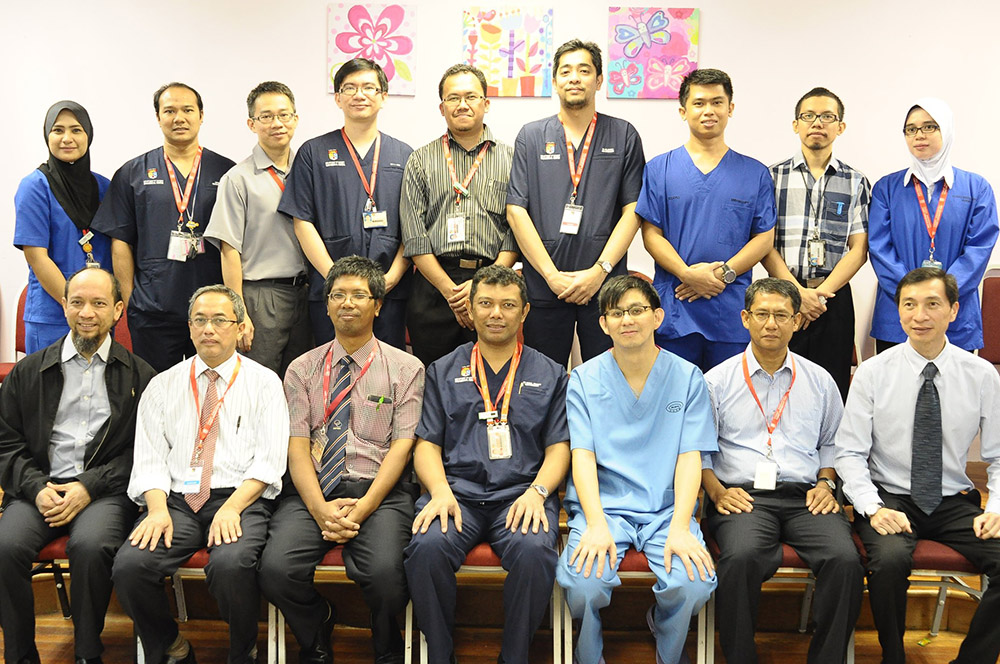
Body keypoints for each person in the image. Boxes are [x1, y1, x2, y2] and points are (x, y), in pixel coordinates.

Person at [259, 256, 424, 664]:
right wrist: (319, 509)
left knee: (387, 576)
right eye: (337, 295)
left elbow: (402, 448)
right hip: (313, 491)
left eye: (358, 295)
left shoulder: (406, 368)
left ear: (378, 305)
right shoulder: (301, 369)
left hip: (379, 493)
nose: (347, 303)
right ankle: (316, 625)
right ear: (327, 305)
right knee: (275, 571)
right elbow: (297, 446)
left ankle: (385, 639)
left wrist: (364, 507)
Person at [112, 285, 288, 664]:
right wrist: (156, 509)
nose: (209, 328)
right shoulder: (163, 385)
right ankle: (172, 646)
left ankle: (243, 650)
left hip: (240, 498)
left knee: (230, 565)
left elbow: (270, 461)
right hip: (176, 502)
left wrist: (233, 508)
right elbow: (149, 458)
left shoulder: (265, 383)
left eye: (220, 320)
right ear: (189, 328)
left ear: (239, 328)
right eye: (200, 320)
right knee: (130, 567)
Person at [403, 265, 569, 664]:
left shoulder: (551, 373)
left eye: (508, 305)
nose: (496, 313)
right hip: (456, 494)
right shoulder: (442, 370)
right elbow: (426, 446)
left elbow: (559, 448)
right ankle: (440, 655)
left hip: (520, 496)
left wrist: (538, 493)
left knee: (534, 553)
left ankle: (514, 657)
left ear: (525, 312)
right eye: (486, 303)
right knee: (426, 549)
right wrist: (439, 491)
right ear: (471, 310)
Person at [836, 267, 1000, 664]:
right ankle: (893, 657)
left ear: (954, 310)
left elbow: (998, 455)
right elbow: (849, 453)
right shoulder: (874, 372)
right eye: (909, 305)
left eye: (932, 304)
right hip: (889, 498)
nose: (919, 315)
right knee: (889, 561)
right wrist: (872, 508)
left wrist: (995, 508)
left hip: (952, 500)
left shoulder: (980, 374)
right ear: (898, 311)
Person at [556, 275, 717, 664]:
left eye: (637, 310)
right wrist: (595, 524)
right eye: (616, 313)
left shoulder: (687, 377)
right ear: (603, 324)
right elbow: (582, 456)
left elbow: (689, 457)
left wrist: (681, 526)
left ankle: (666, 637)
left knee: (693, 584)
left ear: (657, 317)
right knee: (583, 584)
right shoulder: (583, 379)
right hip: (605, 508)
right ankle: (588, 654)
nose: (627, 319)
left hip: (666, 509)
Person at [702, 277, 862, 664]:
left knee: (845, 561)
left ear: (796, 320)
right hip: (743, 497)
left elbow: (833, 443)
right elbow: (699, 450)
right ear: (745, 318)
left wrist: (826, 483)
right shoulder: (716, 381)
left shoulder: (820, 381)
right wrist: (718, 492)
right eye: (762, 314)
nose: (771, 324)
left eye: (781, 315)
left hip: (807, 496)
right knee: (740, 559)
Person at [0, 267, 156, 664]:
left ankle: (87, 653)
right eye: (77, 302)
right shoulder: (28, 372)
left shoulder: (141, 377)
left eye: (99, 303)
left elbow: (145, 452)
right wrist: (36, 488)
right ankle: (20, 656)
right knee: (4, 547)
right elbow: (7, 444)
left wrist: (89, 485)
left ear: (117, 310)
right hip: (39, 489)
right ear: (64, 306)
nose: (87, 312)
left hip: (103, 493)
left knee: (90, 546)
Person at [507, 39, 645, 367]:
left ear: (599, 80)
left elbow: (633, 211)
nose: (574, 78)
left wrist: (599, 272)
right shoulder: (531, 136)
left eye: (584, 70)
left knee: (607, 380)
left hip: (604, 288)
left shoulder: (623, 135)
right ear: (554, 81)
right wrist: (551, 275)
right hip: (544, 286)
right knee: (542, 380)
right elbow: (516, 210)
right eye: (566, 71)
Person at [638, 68, 776, 373]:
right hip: (676, 309)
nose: (708, 111)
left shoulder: (755, 173)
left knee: (730, 398)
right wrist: (687, 274)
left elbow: (764, 238)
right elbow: (651, 234)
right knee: (675, 396)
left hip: (730, 312)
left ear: (730, 108)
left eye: (717, 102)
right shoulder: (659, 169)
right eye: (699, 103)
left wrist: (723, 275)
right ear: (683, 111)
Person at [91, 82, 236, 372]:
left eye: (187, 110)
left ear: (201, 115)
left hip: (211, 314)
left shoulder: (227, 172)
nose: (178, 118)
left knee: (210, 388)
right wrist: (131, 301)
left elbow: (235, 243)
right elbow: (120, 242)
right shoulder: (132, 173)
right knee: (154, 388)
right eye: (169, 111)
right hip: (153, 312)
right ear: (158, 117)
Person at [279, 59, 412, 349]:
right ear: (338, 98)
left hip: (388, 292)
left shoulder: (405, 155)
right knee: (332, 366)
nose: (359, 95)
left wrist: (391, 278)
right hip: (332, 292)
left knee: (387, 369)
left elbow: (414, 228)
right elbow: (302, 221)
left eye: (368, 87)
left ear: (383, 96)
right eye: (349, 88)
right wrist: (334, 279)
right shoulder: (313, 153)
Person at [400, 64, 517, 368]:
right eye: (453, 98)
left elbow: (515, 230)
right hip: (434, 288)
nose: (462, 104)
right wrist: (449, 291)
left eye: (470, 96)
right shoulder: (420, 160)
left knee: (491, 378)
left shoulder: (512, 159)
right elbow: (414, 234)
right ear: (442, 107)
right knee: (435, 379)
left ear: (485, 103)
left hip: (493, 284)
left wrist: (483, 283)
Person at [763, 88, 871, 401]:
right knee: (778, 385)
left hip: (833, 300)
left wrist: (819, 295)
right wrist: (798, 293)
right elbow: (764, 244)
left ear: (841, 126)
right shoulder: (771, 177)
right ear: (795, 124)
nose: (817, 123)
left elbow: (859, 249)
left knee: (832, 388)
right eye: (808, 116)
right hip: (782, 295)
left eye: (827, 117)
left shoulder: (856, 181)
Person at [868, 98, 998, 354]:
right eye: (911, 129)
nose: (919, 135)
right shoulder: (886, 188)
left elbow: (979, 249)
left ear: (946, 129)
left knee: (956, 380)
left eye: (929, 127)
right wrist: (913, 298)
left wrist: (942, 296)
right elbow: (879, 248)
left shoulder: (977, 188)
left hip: (954, 314)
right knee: (896, 380)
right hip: (898, 316)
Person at [204, 81, 311, 377]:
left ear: (295, 119)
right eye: (266, 116)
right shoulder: (238, 179)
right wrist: (238, 311)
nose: (277, 123)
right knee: (259, 380)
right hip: (261, 296)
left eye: (284, 115)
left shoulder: (308, 172)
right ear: (252, 123)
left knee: (301, 382)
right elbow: (228, 249)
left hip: (306, 293)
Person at [14, 101, 113, 354]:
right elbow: (37, 257)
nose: (67, 138)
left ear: (88, 135)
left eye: (76, 130)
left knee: (96, 380)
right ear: (47, 136)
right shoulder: (35, 187)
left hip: (97, 317)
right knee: (50, 380)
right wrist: (75, 307)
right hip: (53, 315)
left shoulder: (105, 187)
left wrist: (98, 308)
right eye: (58, 130)